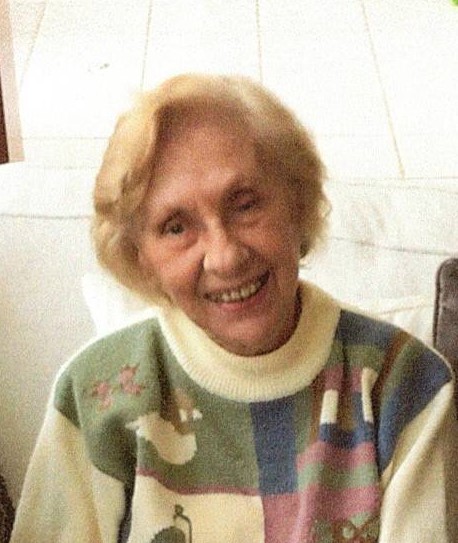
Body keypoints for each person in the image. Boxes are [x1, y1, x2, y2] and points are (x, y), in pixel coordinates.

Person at [11, 74, 458, 542]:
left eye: (245, 205)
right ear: (141, 258)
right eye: (176, 227)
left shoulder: (404, 387)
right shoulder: (95, 395)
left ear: (297, 203)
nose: (224, 257)